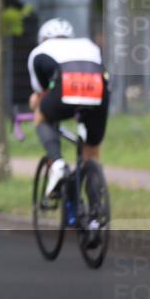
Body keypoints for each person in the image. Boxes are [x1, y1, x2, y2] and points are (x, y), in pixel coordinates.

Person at [27, 18, 109, 200]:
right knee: (92, 151)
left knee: (41, 117)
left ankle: (57, 164)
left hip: (65, 90)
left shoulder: (39, 52)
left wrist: (35, 103)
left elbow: (41, 93)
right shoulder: (88, 45)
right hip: (98, 91)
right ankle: (95, 213)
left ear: (43, 38)